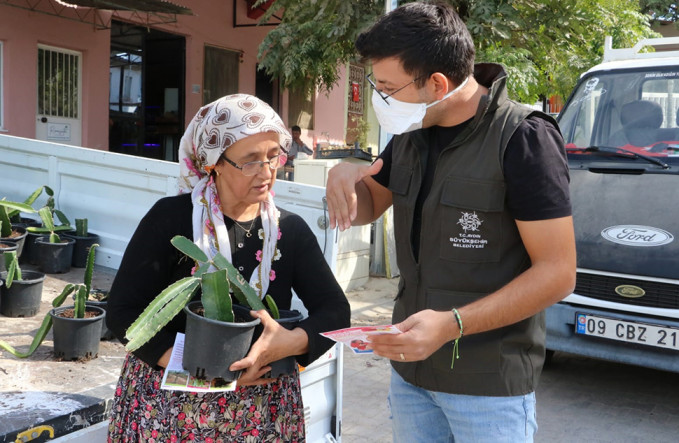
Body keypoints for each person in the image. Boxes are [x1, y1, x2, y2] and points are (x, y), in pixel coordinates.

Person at [324, 2, 576, 442]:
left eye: (386, 87)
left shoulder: (523, 138)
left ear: (436, 83)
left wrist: (450, 325)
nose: (380, 97)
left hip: (488, 389)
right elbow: (366, 205)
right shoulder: (411, 133)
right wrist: (344, 173)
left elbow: (557, 274)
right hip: (411, 377)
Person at [106, 94, 350, 442]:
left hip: (263, 414)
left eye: (273, 156)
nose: (266, 172)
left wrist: (287, 343)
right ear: (214, 163)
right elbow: (122, 313)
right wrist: (211, 371)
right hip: (171, 410)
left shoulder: (288, 231)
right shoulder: (171, 220)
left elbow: (336, 312)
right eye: (250, 161)